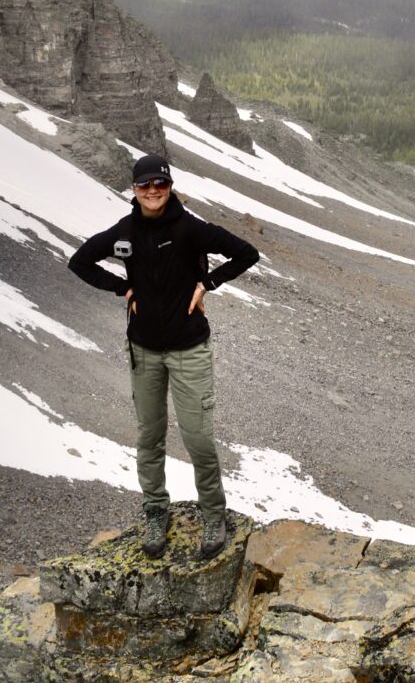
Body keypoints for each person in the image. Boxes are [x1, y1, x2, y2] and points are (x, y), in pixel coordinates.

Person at [68, 153, 260, 559]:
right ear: (134, 190)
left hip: (189, 348)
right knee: (150, 437)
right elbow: (80, 261)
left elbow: (246, 253)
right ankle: (156, 510)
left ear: (170, 187)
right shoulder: (125, 232)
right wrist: (123, 289)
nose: (153, 191)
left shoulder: (191, 228)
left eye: (160, 184)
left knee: (199, 440)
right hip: (144, 351)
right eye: (144, 185)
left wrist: (207, 282)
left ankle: (213, 515)